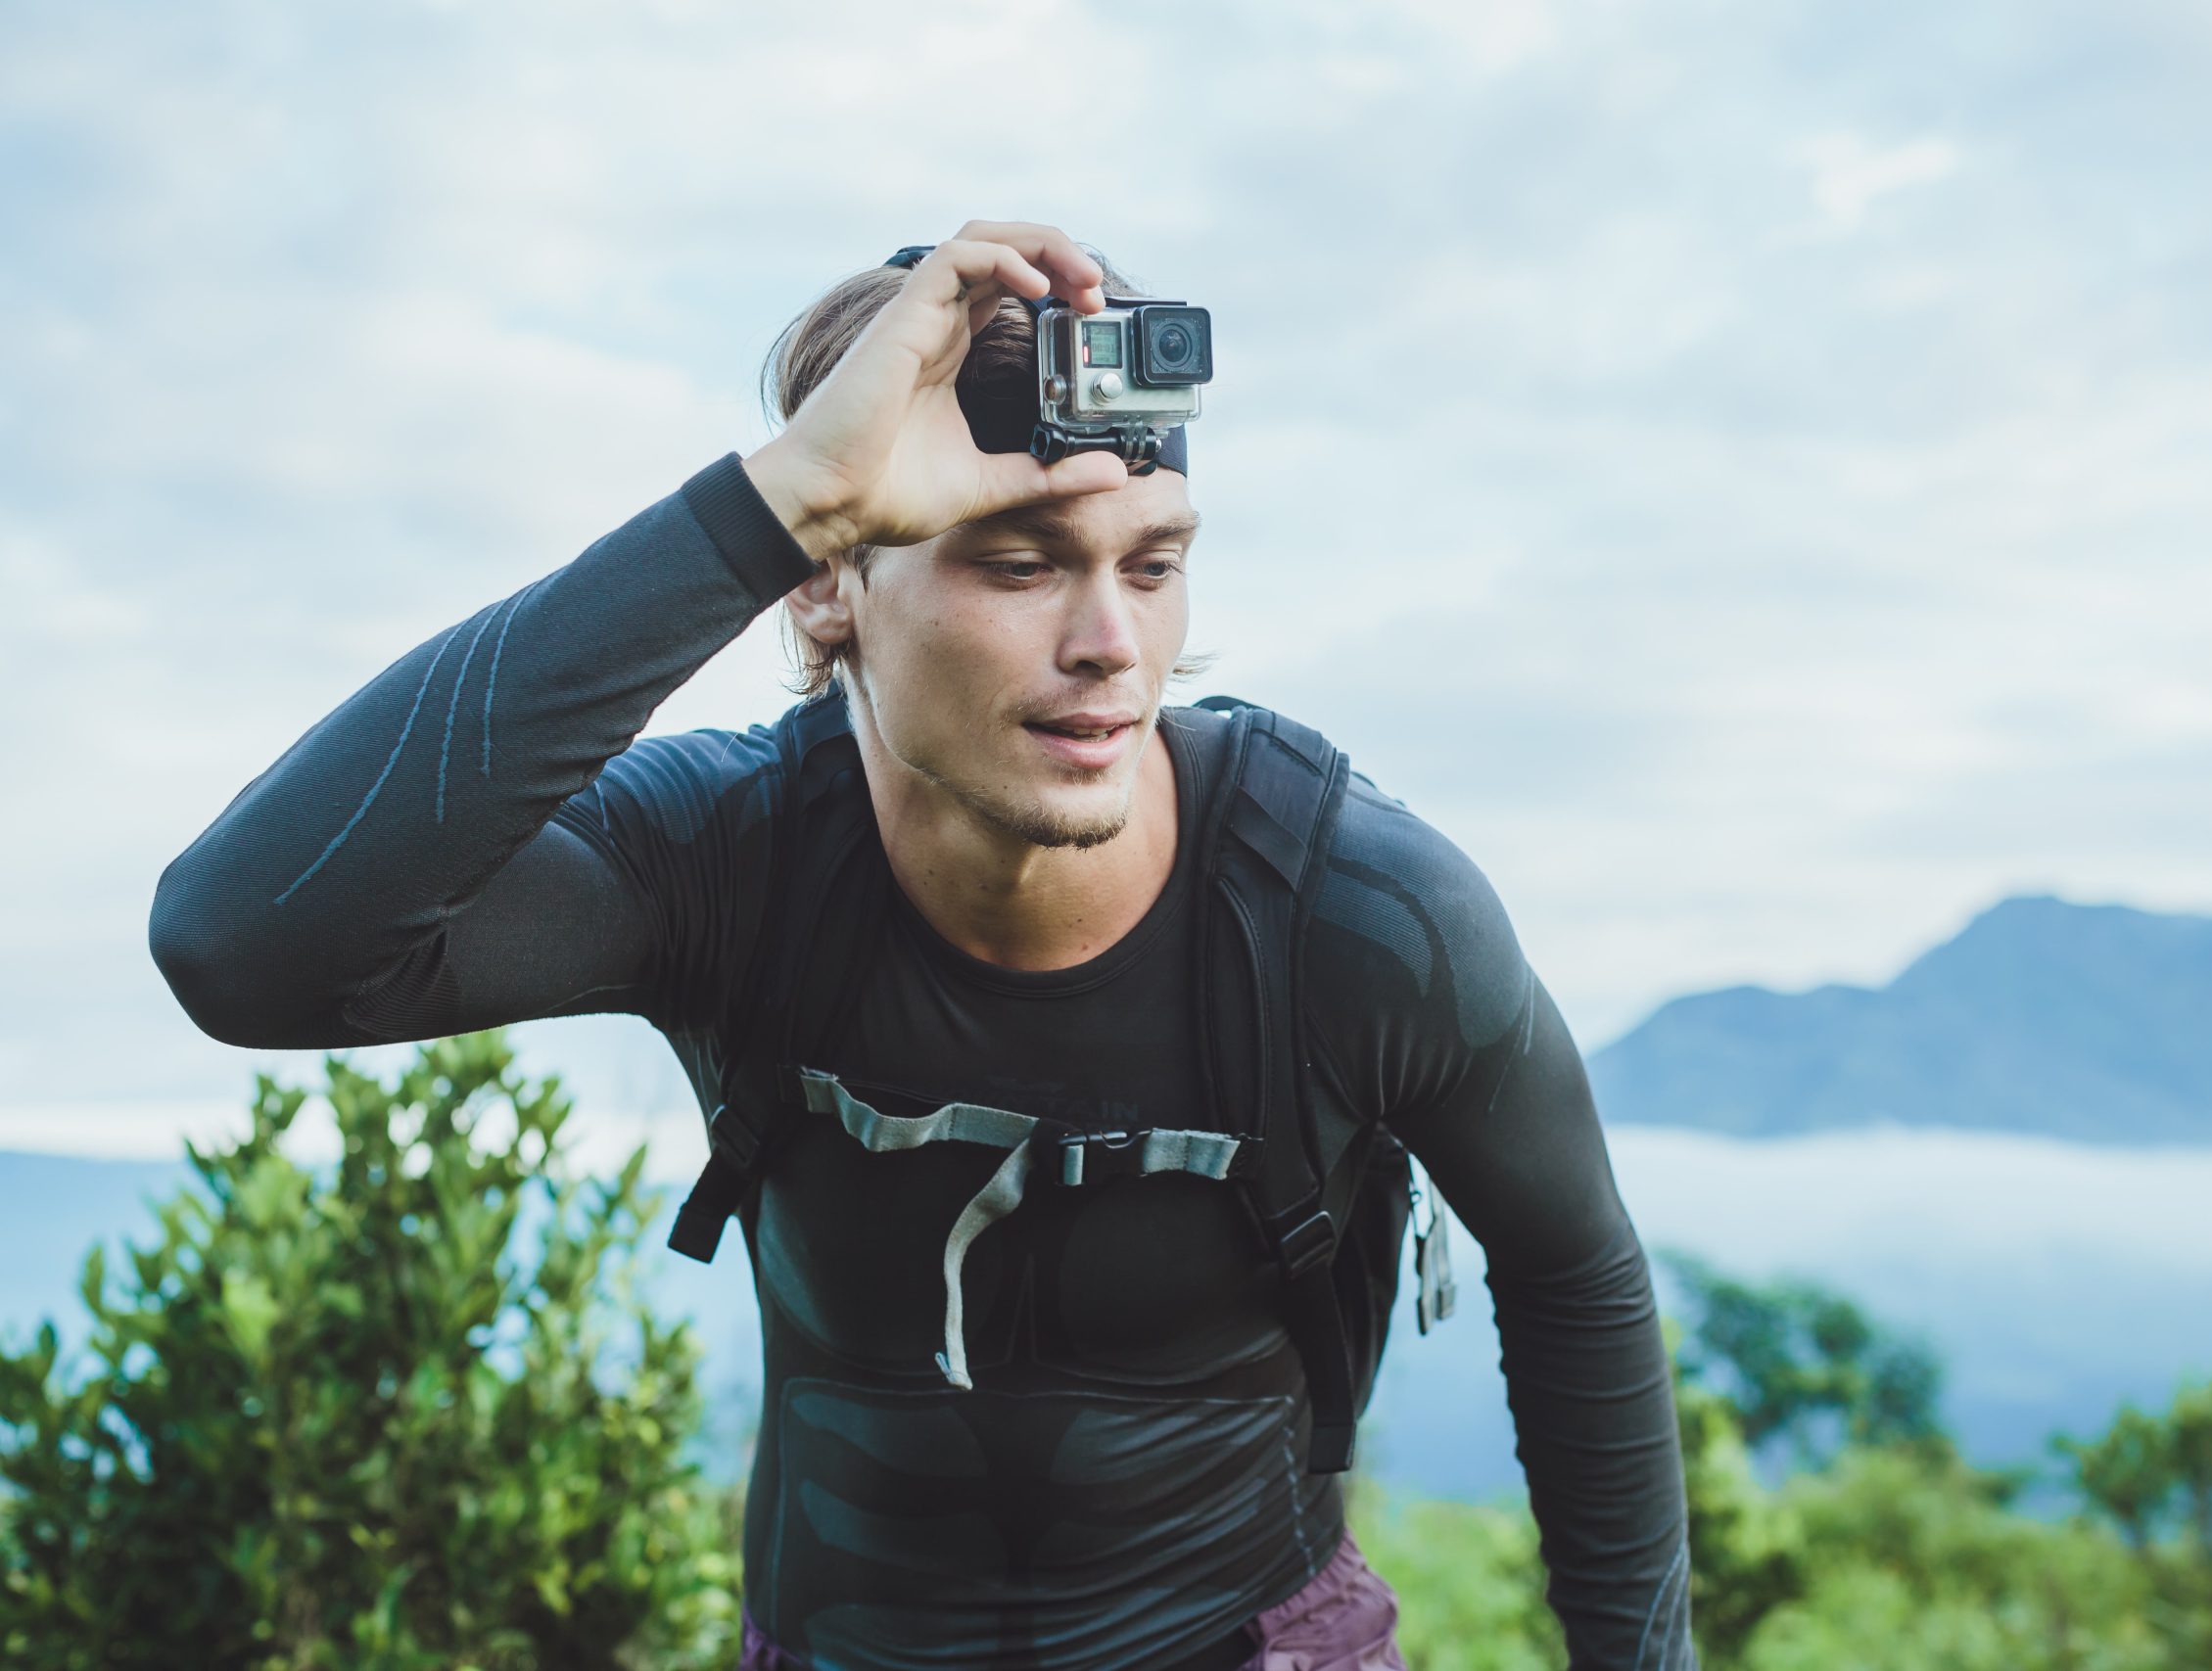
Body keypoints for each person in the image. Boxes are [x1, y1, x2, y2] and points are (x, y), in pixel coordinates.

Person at [149, 218, 1696, 1671]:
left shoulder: (1353, 912)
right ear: (834, 582)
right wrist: (762, 509)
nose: (1110, 645)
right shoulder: (731, 862)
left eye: (1151, 564)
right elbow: (245, 944)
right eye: (1018, 561)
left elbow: (1576, 1277)